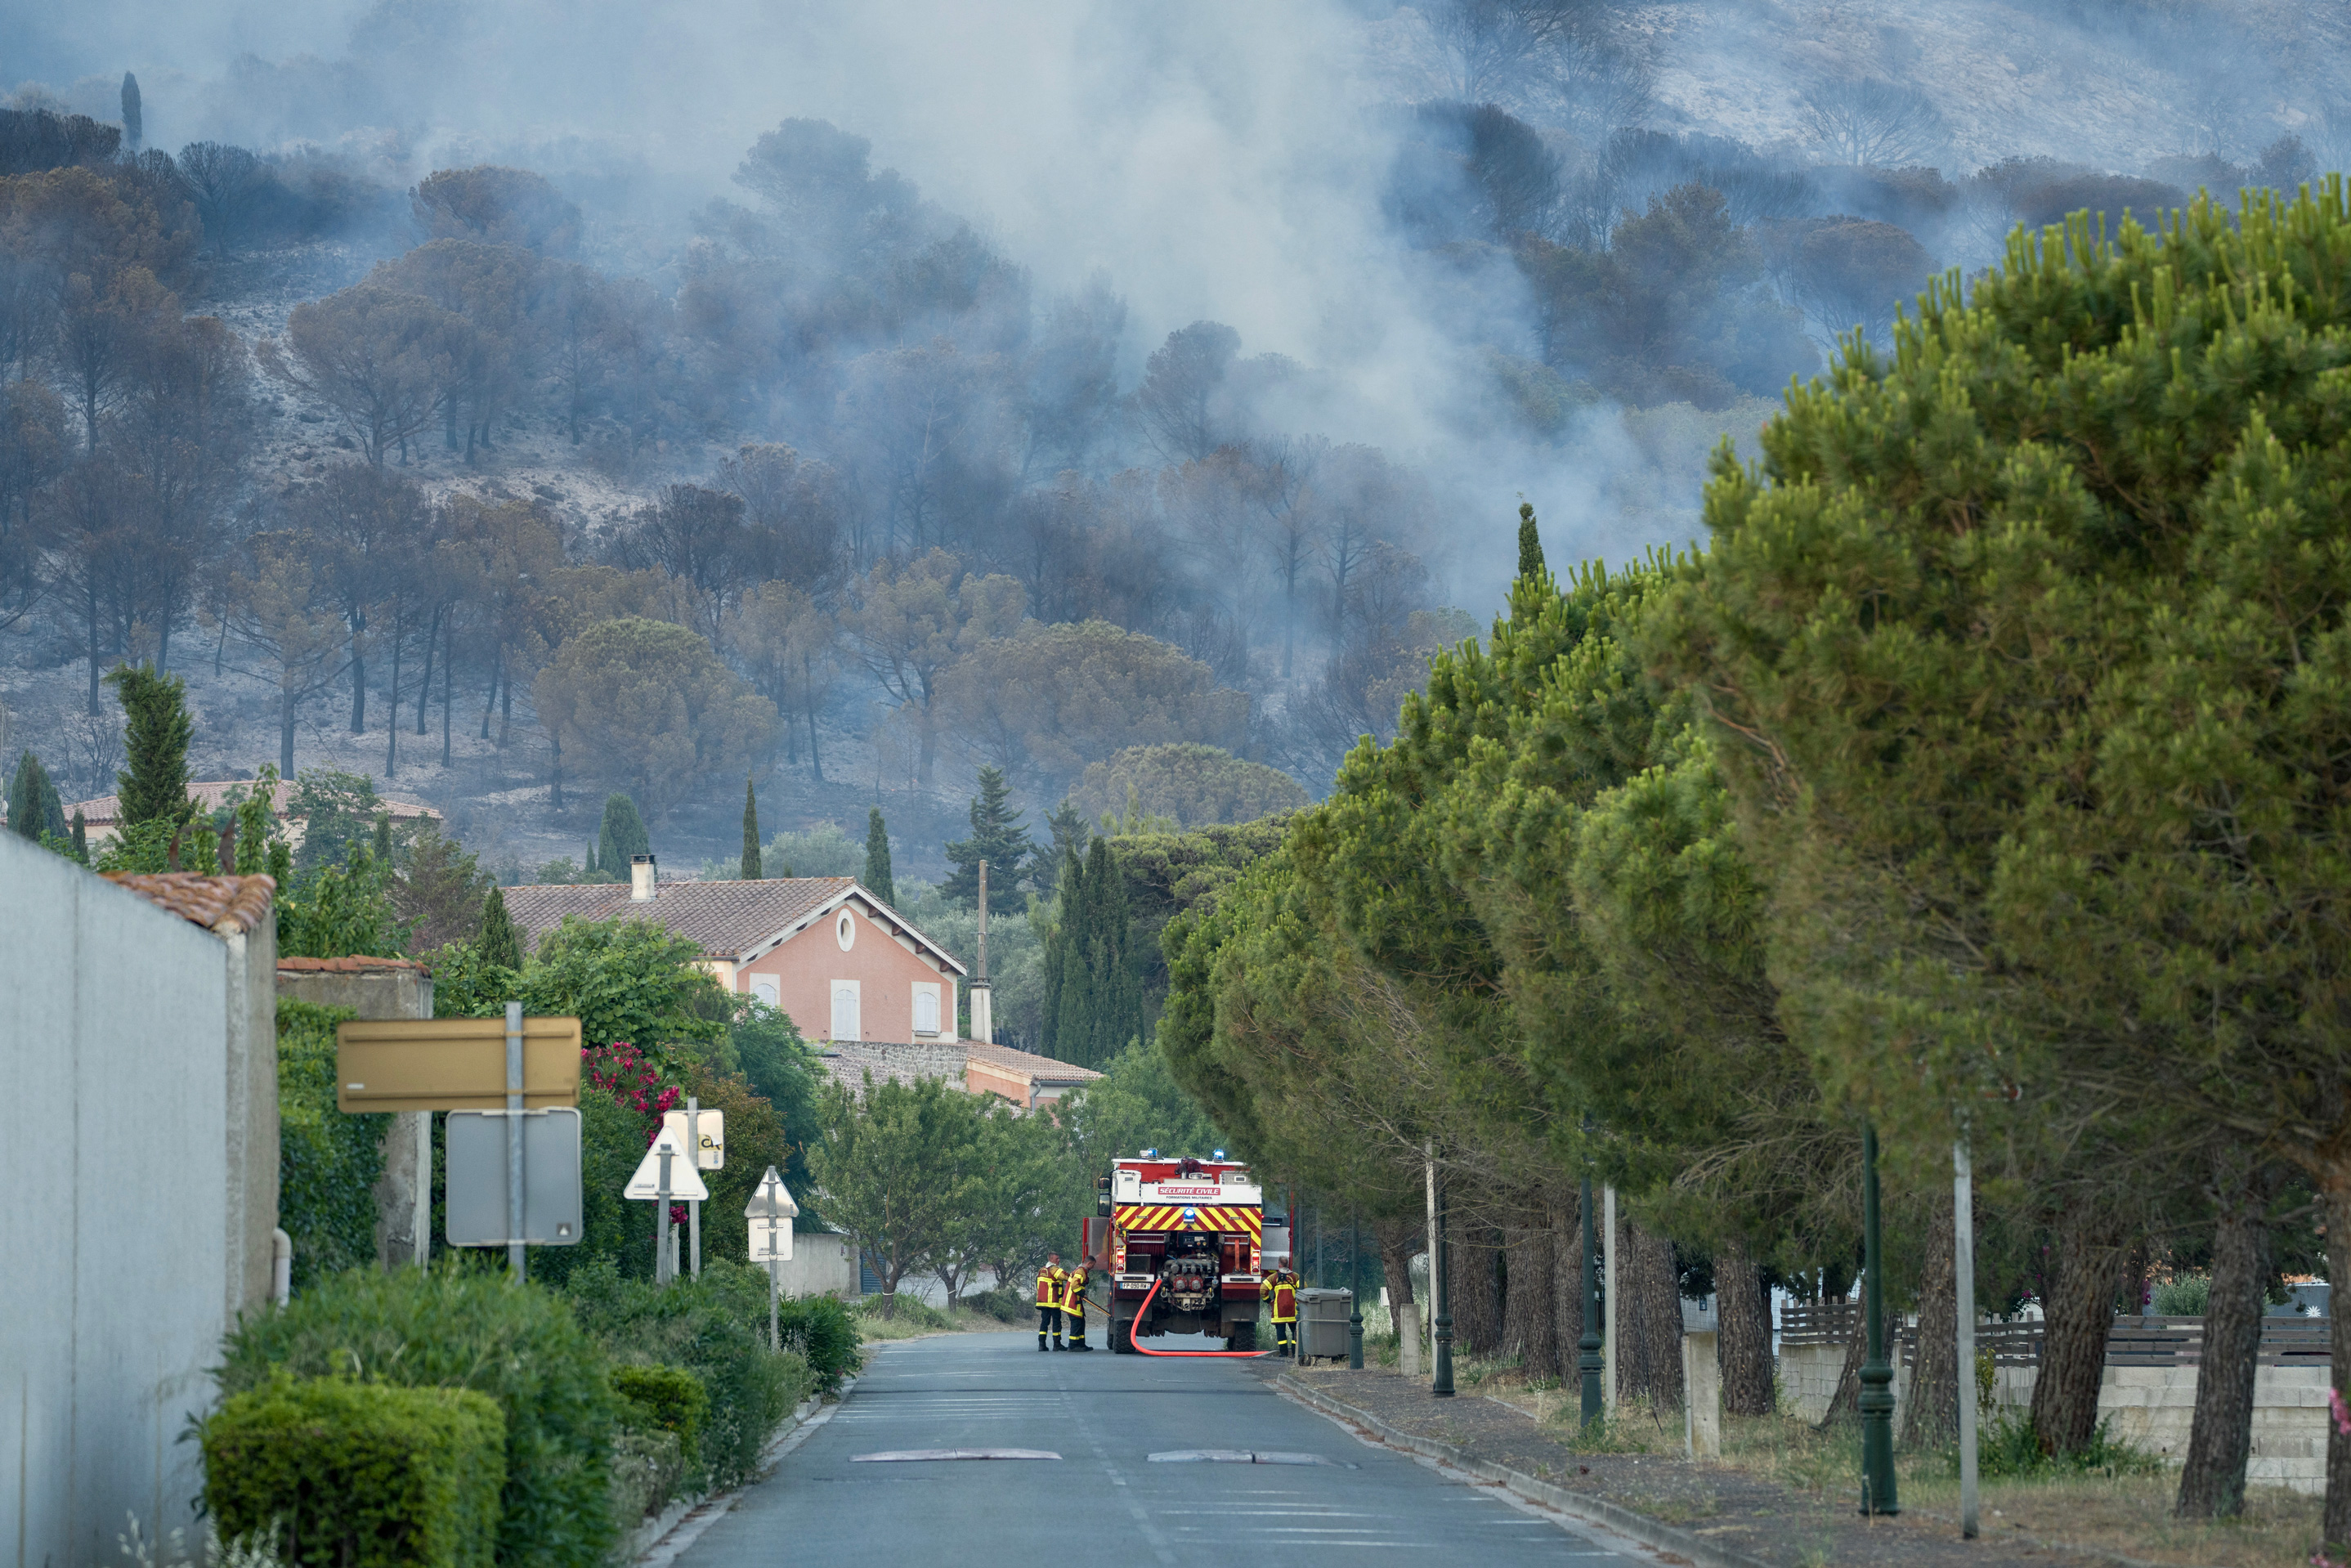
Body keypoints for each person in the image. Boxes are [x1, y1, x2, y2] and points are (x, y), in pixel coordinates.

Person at [1268, 1261, 1299, 1356]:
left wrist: (1268, 1300)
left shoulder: (1273, 1277)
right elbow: (1304, 1287)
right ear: (1288, 1265)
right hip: (1292, 1311)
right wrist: (1298, 1300)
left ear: (1279, 1265)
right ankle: (1295, 1353)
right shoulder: (1295, 1276)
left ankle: (1284, 1353)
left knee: (1281, 1332)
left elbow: (1263, 1289)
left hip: (1279, 1310)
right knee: (1295, 1331)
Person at [1037, 1253, 1067, 1351]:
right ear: (1051, 1259)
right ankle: (1057, 1344)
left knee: (1044, 1323)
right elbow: (1066, 1277)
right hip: (1053, 1302)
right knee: (1057, 1323)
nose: (1059, 1260)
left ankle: (1042, 1345)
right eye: (1057, 1258)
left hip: (1043, 1302)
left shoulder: (1042, 1270)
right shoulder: (1054, 1269)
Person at [1064, 1257, 1093, 1351]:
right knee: (1076, 1324)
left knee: (1081, 1322)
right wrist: (1082, 1294)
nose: (1093, 1267)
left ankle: (1081, 1345)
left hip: (1075, 1302)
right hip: (1072, 1303)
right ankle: (1072, 1346)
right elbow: (1074, 1285)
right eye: (1093, 1265)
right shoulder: (1080, 1271)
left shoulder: (1081, 1271)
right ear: (1089, 1263)